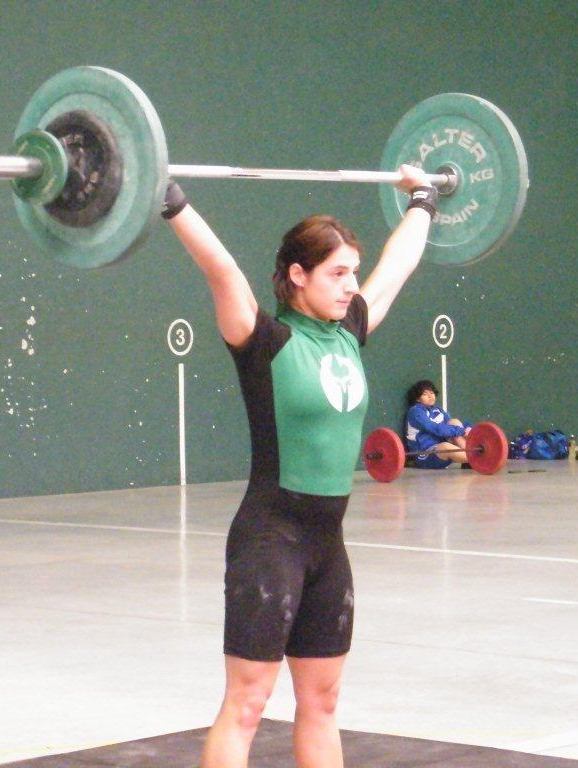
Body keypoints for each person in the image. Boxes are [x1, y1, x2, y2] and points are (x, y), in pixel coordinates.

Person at [162, 167, 436, 767]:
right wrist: (169, 199)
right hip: (270, 539)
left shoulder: (350, 332)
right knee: (248, 704)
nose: (350, 286)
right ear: (297, 275)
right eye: (337, 273)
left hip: (326, 544)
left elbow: (400, 265)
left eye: (351, 274)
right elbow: (222, 269)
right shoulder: (264, 341)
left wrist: (424, 199)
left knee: (323, 701)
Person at [404, 379, 471, 468]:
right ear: (417, 398)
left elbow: (452, 428)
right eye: (425, 394)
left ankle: (471, 457)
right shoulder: (415, 412)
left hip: (440, 449)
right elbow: (434, 428)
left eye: (431, 393)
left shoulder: (438, 410)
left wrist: (468, 429)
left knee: (454, 422)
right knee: (446, 446)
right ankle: (476, 459)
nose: (430, 396)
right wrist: (462, 430)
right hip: (425, 454)